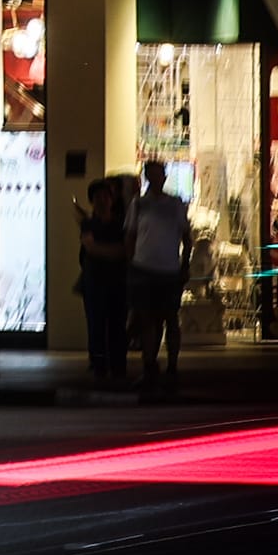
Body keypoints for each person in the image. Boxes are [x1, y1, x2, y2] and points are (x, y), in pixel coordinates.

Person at [128, 157, 193, 402]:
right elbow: (131, 236)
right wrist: (130, 264)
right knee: (147, 320)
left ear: (165, 177)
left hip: (168, 270)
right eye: (152, 175)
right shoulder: (139, 204)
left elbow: (187, 237)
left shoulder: (175, 205)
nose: (156, 179)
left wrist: (184, 264)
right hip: (144, 267)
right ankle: (149, 364)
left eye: (159, 175)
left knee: (169, 318)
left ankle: (172, 366)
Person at [73, 176, 135, 387]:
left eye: (106, 196)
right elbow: (92, 248)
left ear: (112, 199)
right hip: (95, 282)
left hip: (118, 282)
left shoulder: (122, 223)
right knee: (96, 326)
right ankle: (99, 367)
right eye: (97, 196)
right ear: (92, 201)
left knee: (117, 326)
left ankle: (118, 367)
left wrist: (100, 251)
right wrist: (112, 252)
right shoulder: (89, 223)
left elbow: (125, 251)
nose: (102, 200)